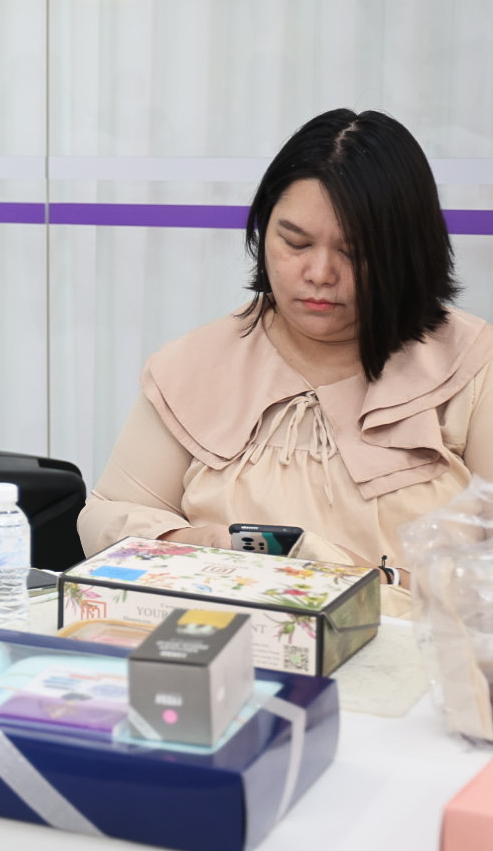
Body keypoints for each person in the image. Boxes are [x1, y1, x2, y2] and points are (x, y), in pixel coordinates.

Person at [79, 109, 493, 594]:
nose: (319, 273)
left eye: (354, 252)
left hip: (413, 638)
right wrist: (190, 542)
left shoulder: (471, 365)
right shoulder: (193, 364)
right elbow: (106, 516)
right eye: (295, 243)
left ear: (406, 251)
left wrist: (384, 583)